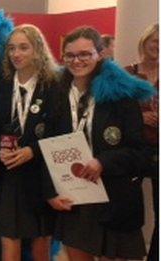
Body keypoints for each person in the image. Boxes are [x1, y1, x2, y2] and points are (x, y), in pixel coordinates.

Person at [45, 26, 154, 260]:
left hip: (114, 198)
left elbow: (140, 154)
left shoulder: (123, 95)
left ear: (100, 54)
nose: (77, 61)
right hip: (74, 198)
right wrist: (50, 192)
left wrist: (103, 162)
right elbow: (46, 148)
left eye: (85, 54)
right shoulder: (54, 95)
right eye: (70, 55)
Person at [0, 24, 59, 261]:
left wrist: (32, 151)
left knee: (41, 244)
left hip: (41, 175)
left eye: (23, 47)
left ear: (38, 50)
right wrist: (0, 151)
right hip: (9, 176)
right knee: (9, 240)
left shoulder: (54, 86)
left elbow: (60, 132)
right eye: (12, 48)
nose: (16, 54)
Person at [125, 23, 159, 261]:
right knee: (125, 207)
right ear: (144, 42)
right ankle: (123, 253)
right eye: (154, 41)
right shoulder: (128, 73)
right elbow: (115, 113)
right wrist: (139, 116)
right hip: (133, 149)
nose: (157, 46)